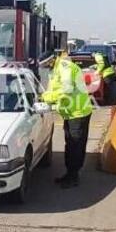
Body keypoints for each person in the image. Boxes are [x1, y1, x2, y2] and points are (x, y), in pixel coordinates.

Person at [42, 53, 93, 188]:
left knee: (75, 145)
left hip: (78, 112)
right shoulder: (57, 69)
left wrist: (46, 98)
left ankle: (73, 176)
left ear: (51, 60)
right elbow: (54, 90)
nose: (45, 67)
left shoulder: (65, 67)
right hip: (70, 113)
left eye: (46, 64)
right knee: (70, 144)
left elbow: (67, 90)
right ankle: (69, 174)